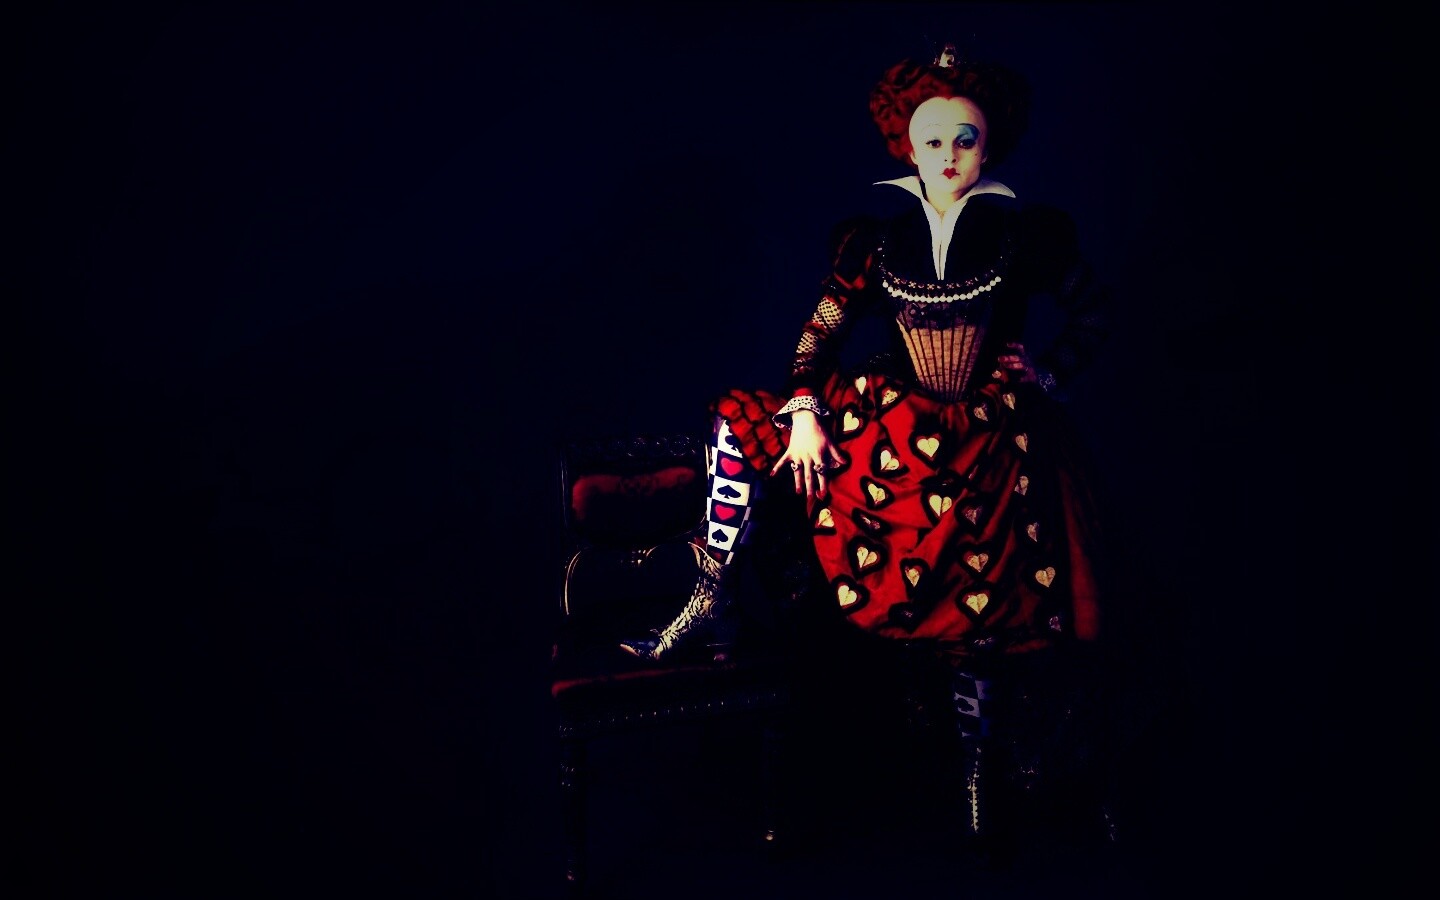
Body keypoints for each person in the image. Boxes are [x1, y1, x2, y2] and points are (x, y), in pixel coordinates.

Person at [619, 41, 1116, 850]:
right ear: (906, 148)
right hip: (895, 435)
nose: (949, 156)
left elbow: (1095, 311)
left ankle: (978, 776)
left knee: (983, 614)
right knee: (744, 423)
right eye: (933, 140)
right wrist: (805, 410)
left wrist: (1050, 370)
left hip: (994, 441)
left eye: (965, 139)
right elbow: (816, 340)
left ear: (989, 147)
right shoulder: (876, 244)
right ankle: (712, 600)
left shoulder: (1025, 237)